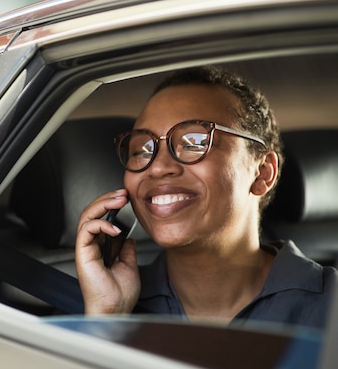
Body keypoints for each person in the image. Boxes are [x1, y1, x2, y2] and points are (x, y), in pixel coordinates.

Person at [75, 66, 337, 327]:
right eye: (142, 150)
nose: (157, 166)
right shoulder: (103, 302)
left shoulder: (328, 307)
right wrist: (108, 316)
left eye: (195, 143)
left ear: (261, 174)